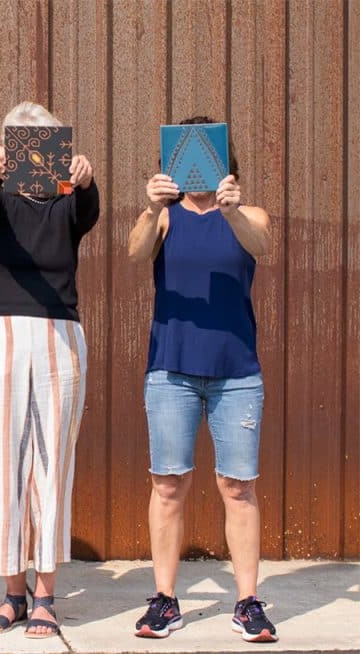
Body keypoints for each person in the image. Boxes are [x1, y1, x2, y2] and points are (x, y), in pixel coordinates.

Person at [127, 116, 276, 643]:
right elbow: (135, 252)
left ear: (223, 160)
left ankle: (248, 602)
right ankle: (164, 600)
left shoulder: (247, 213)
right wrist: (152, 208)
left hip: (237, 372)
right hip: (171, 370)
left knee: (238, 487)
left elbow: (261, 244)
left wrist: (231, 210)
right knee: (168, 485)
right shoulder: (164, 217)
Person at [0, 101, 99, 639]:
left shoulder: (67, 201)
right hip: (0, 332)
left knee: (52, 463)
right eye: (20, 141)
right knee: (1, 463)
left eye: (41, 140)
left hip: (58, 334)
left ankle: (45, 594)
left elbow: (88, 214)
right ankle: (12, 593)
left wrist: (86, 182)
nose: (32, 152)